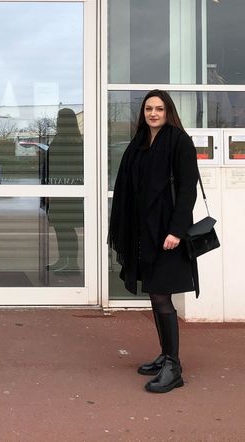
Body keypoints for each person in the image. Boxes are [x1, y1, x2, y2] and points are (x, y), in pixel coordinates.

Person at [108, 89, 199, 393]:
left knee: (161, 295)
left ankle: (173, 368)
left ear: (168, 111)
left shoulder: (179, 141)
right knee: (156, 295)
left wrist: (176, 230)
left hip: (167, 234)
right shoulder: (139, 144)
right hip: (144, 233)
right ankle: (166, 356)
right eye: (148, 109)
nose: (153, 114)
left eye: (159, 108)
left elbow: (187, 190)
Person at [46, 108, 84, 274]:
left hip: (63, 191)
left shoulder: (62, 141)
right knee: (64, 228)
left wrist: (51, 189)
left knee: (64, 228)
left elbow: (56, 167)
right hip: (70, 190)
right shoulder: (77, 140)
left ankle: (72, 264)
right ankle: (64, 261)